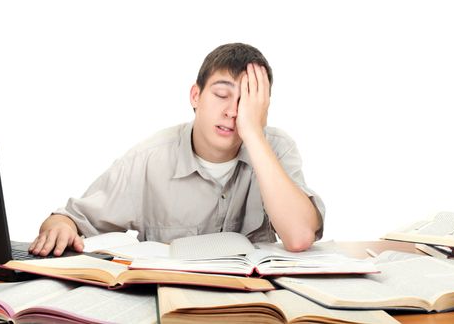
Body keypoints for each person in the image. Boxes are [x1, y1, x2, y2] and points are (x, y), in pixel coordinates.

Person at [29, 42, 325, 257]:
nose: (232, 112)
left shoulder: (276, 148)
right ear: (196, 95)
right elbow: (70, 218)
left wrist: (254, 134)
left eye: (245, 101)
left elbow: (299, 236)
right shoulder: (150, 159)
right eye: (222, 95)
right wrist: (60, 225)